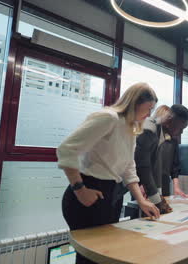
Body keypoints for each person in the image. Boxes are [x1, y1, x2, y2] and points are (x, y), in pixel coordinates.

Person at [58, 82, 160, 264]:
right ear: (135, 102)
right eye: (149, 108)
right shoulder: (108, 118)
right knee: (90, 258)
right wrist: (80, 189)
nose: (149, 114)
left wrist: (142, 200)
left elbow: (129, 167)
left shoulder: (131, 128)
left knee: (104, 255)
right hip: (87, 192)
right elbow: (66, 150)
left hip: (110, 193)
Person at [135, 104, 188, 214]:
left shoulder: (161, 134)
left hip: (138, 183)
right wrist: (157, 199)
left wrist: (158, 195)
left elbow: (155, 166)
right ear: (170, 121)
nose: (181, 133)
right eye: (181, 128)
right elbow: (143, 166)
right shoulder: (149, 130)